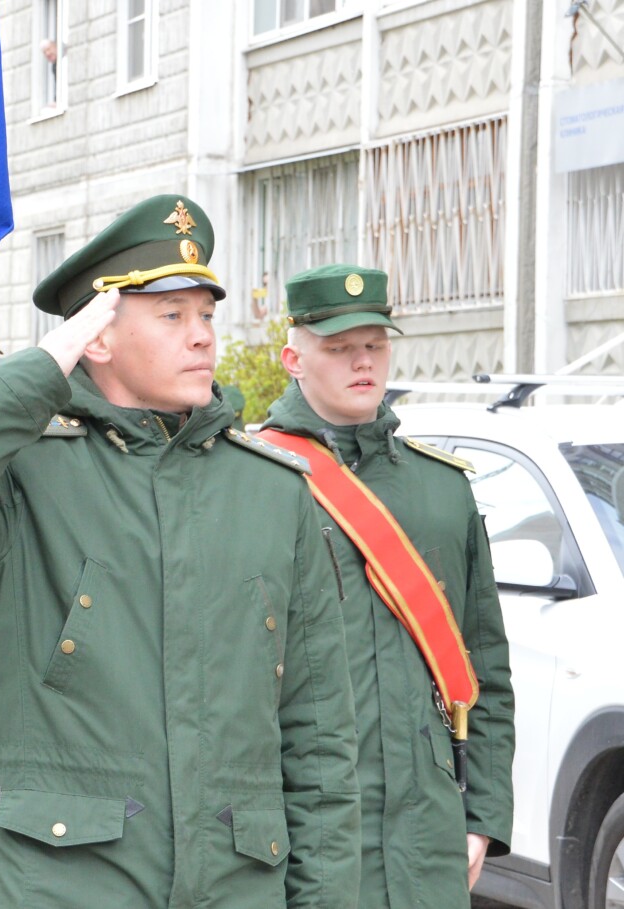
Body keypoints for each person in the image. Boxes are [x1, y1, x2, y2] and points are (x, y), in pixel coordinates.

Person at [0, 195, 361, 907]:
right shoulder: (20, 471)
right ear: (96, 339)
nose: (201, 337)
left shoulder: (271, 489)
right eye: (172, 315)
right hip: (65, 885)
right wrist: (33, 376)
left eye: (206, 315)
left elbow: (319, 738)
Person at [258, 263, 514, 906]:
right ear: (293, 359)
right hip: (299, 828)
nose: (362, 361)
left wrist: (481, 817)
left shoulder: (442, 488)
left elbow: (484, 662)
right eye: (339, 347)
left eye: (374, 344)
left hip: (428, 828)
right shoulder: (254, 480)